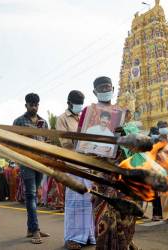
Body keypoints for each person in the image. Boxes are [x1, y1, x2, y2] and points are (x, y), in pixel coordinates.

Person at [79, 76, 137, 250]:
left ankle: (124, 243)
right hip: (100, 169)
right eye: (101, 88)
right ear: (95, 92)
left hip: (120, 167)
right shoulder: (88, 113)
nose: (105, 90)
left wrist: (124, 132)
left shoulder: (122, 114)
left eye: (107, 87)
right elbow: (81, 140)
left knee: (126, 209)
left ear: (113, 88)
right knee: (104, 209)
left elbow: (134, 144)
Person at [57, 90, 95, 250]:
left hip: (87, 165)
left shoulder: (85, 118)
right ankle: (72, 238)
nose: (80, 105)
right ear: (69, 102)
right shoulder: (62, 119)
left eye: (82, 102)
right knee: (74, 203)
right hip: (73, 165)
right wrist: (80, 135)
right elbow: (65, 143)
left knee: (88, 202)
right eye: (77, 102)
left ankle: (87, 236)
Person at [13, 93, 51, 244]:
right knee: (31, 194)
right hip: (26, 162)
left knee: (34, 196)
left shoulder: (44, 122)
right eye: (31, 105)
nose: (34, 107)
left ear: (38, 105)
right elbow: (13, 143)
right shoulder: (19, 121)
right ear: (26, 105)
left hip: (40, 162)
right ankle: (35, 229)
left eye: (36, 104)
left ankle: (31, 228)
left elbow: (47, 142)